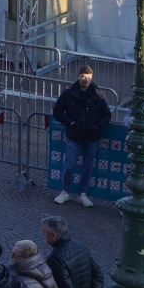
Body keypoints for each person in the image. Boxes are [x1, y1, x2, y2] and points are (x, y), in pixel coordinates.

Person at [52, 64, 111, 208]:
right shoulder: (68, 94)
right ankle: (65, 191)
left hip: (92, 136)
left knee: (88, 166)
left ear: (92, 78)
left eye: (88, 78)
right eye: (83, 77)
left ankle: (82, 193)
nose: (85, 80)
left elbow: (107, 115)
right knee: (69, 166)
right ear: (78, 76)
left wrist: (97, 126)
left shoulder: (98, 96)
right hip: (74, 135)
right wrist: (70, 123)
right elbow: (57, 111)